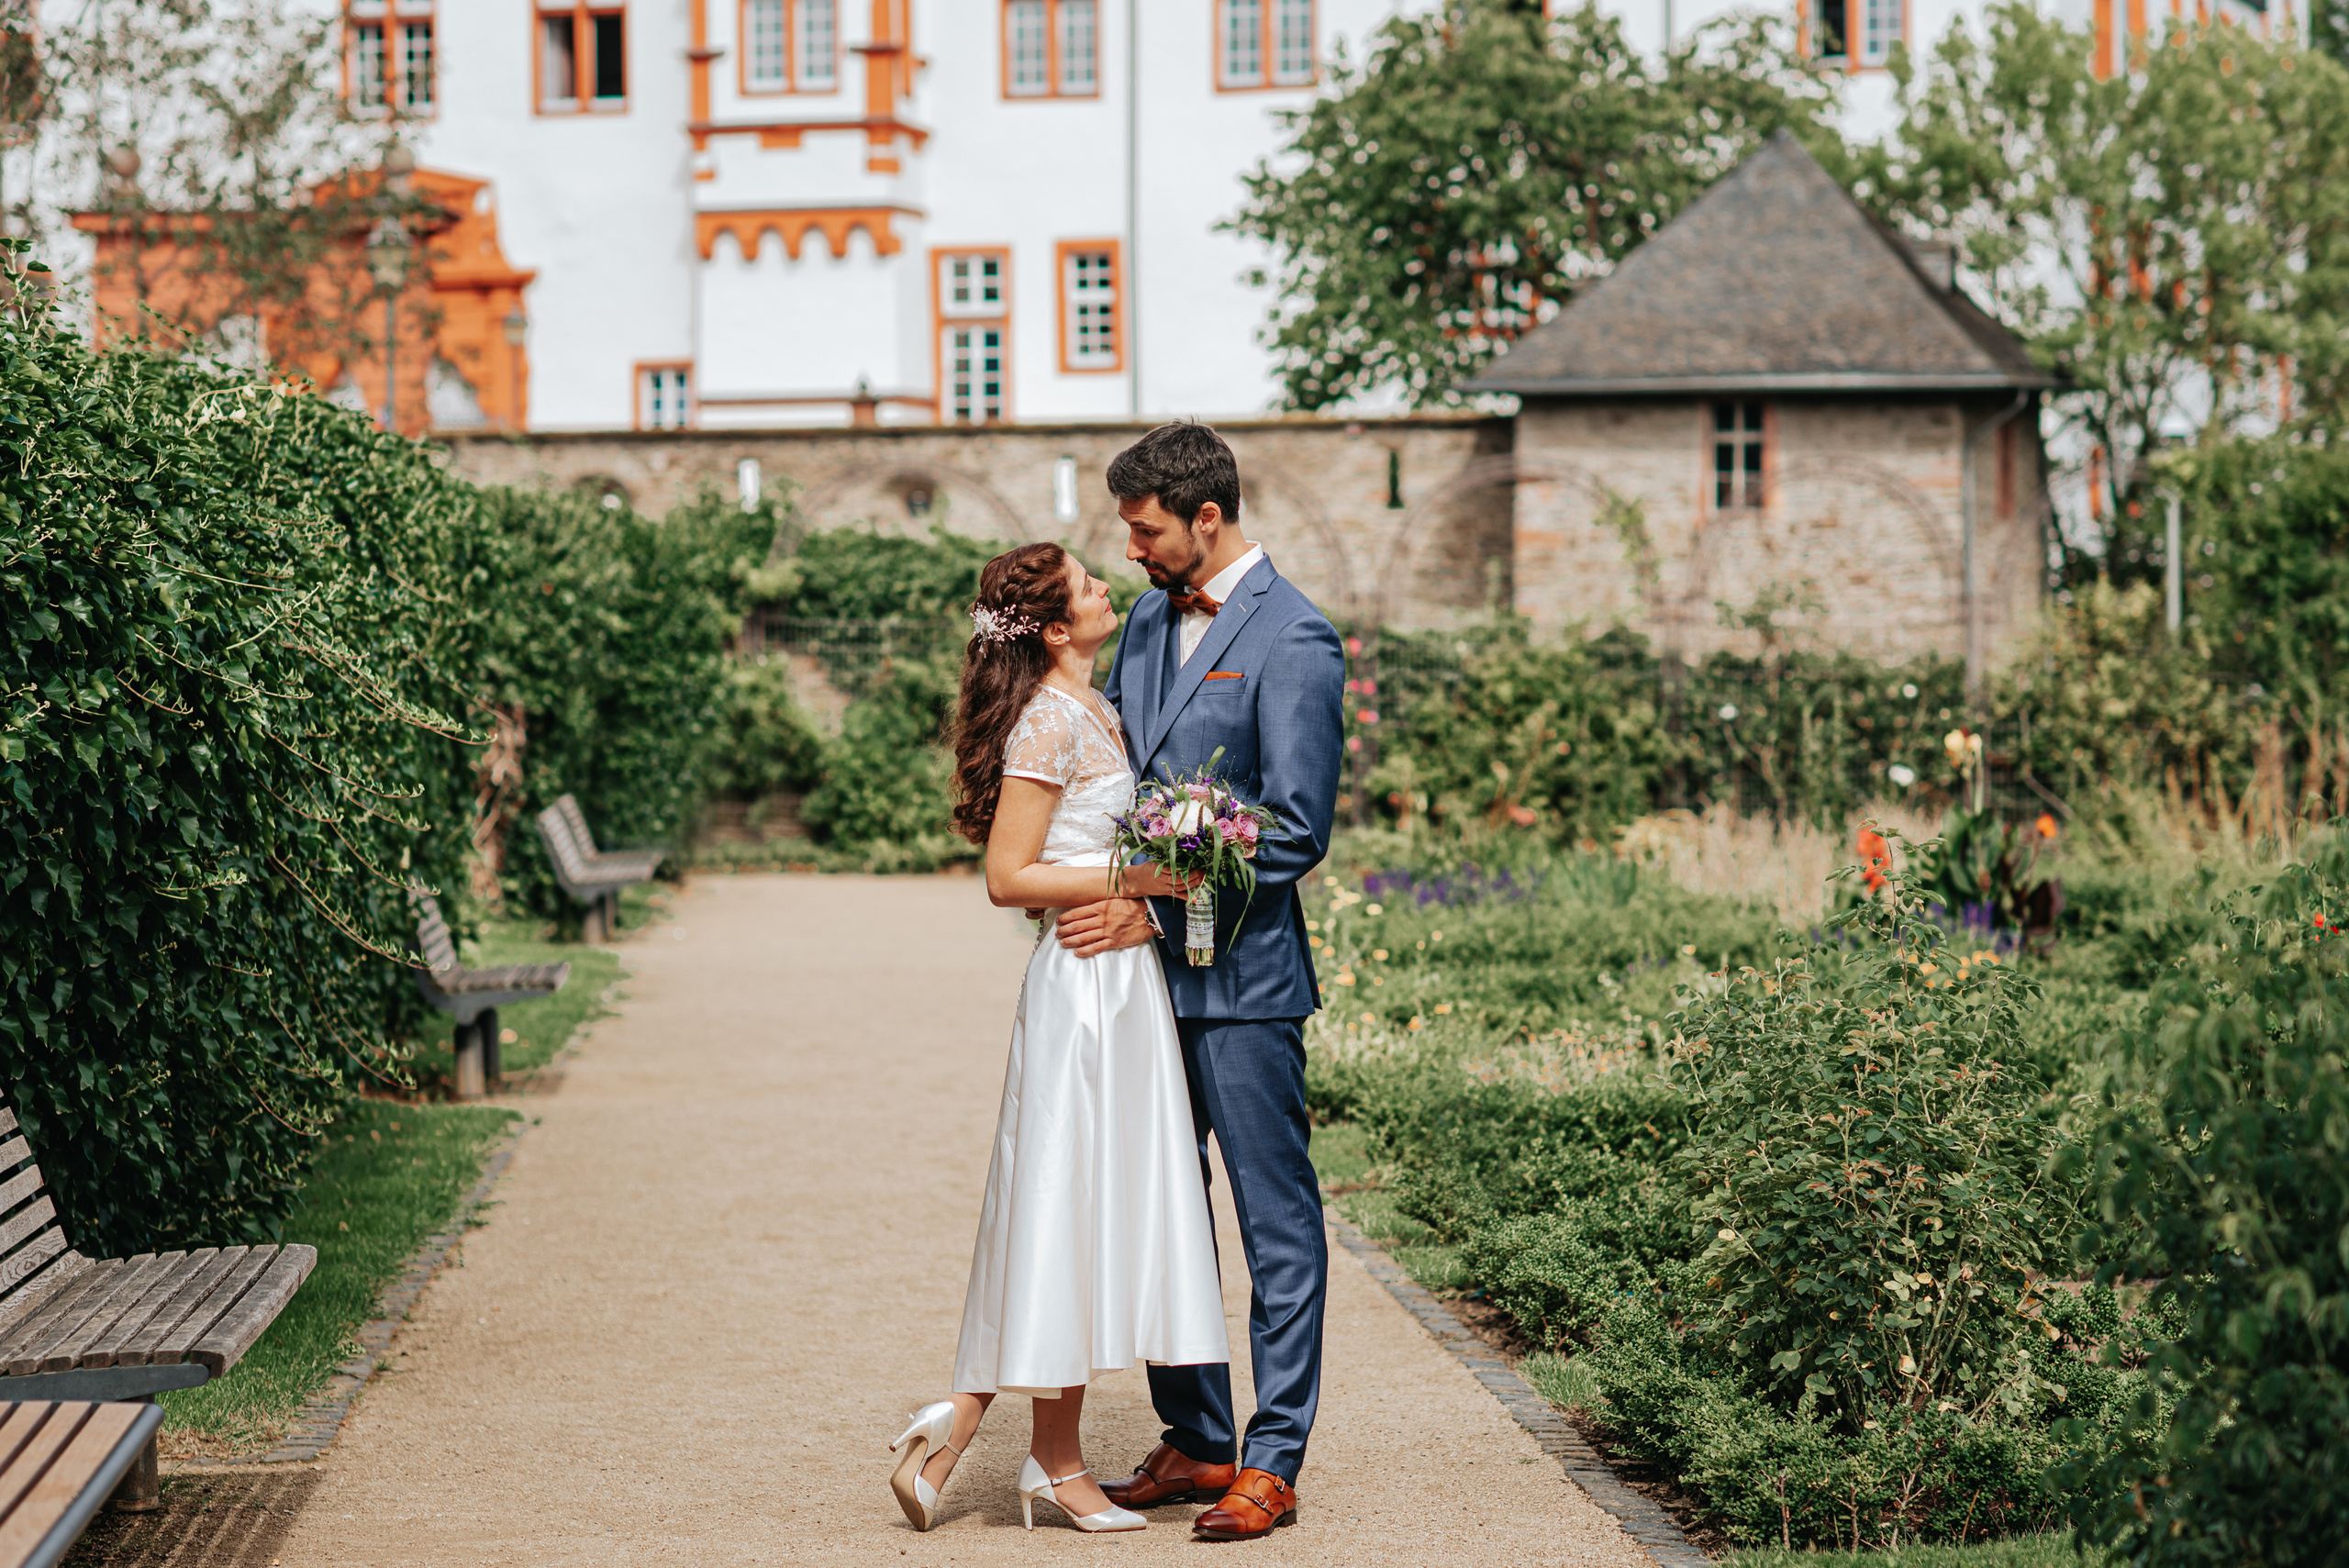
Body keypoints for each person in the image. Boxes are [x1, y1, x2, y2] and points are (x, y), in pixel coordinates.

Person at [886, 541, 1230, 1536]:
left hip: (1121, 985)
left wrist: (1158, 884)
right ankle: (1038, 1457)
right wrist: (1148, 880)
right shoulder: (1047, 718)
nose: (1106, 589)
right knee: (1059, 1204)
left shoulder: (1096, 705)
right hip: (1082, 990)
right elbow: (1009, 875)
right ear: (1049, 626)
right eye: (1087, 584)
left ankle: (994, 1442)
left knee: (1079, 1213)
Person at [1058, 421, 1345, 1541]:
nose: (1131, 550)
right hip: (1135, 982)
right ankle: (1196, 1434)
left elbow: (1291, 830)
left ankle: (1271, 1459)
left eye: (1145, 529)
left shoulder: (1298, 638)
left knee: (1277, 1224)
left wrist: (1151, 891)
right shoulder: (1140, 620)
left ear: (1205, 517)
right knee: (1159, 1206)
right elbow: (1120, 768)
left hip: (1244, 981)